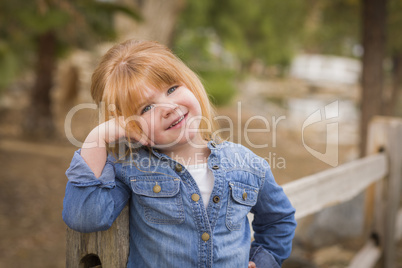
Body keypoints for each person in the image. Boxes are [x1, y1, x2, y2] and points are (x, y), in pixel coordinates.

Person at [62, 39, 296, 268]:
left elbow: (279, 219)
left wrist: (264, 261)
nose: (169, 108)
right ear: (127, 124)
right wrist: (97, 138)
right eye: (147, 108)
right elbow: (85, 217)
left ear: (191, 85)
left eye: (172, 89)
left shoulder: (246, 164)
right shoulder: (131, 167)